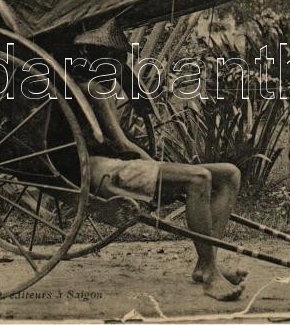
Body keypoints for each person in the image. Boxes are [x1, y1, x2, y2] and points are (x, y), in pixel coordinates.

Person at [69, 19, 247, 301]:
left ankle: (205, 261)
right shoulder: (93, 88)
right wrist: (156, 164)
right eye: (114, 58)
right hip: (100, 169)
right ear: (97, 58)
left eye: (121, 58)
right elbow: (121, 143)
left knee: (229, 173)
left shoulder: (102, 85)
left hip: (120, 165)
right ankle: (211, 273)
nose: (119, 64)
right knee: (198, 177)